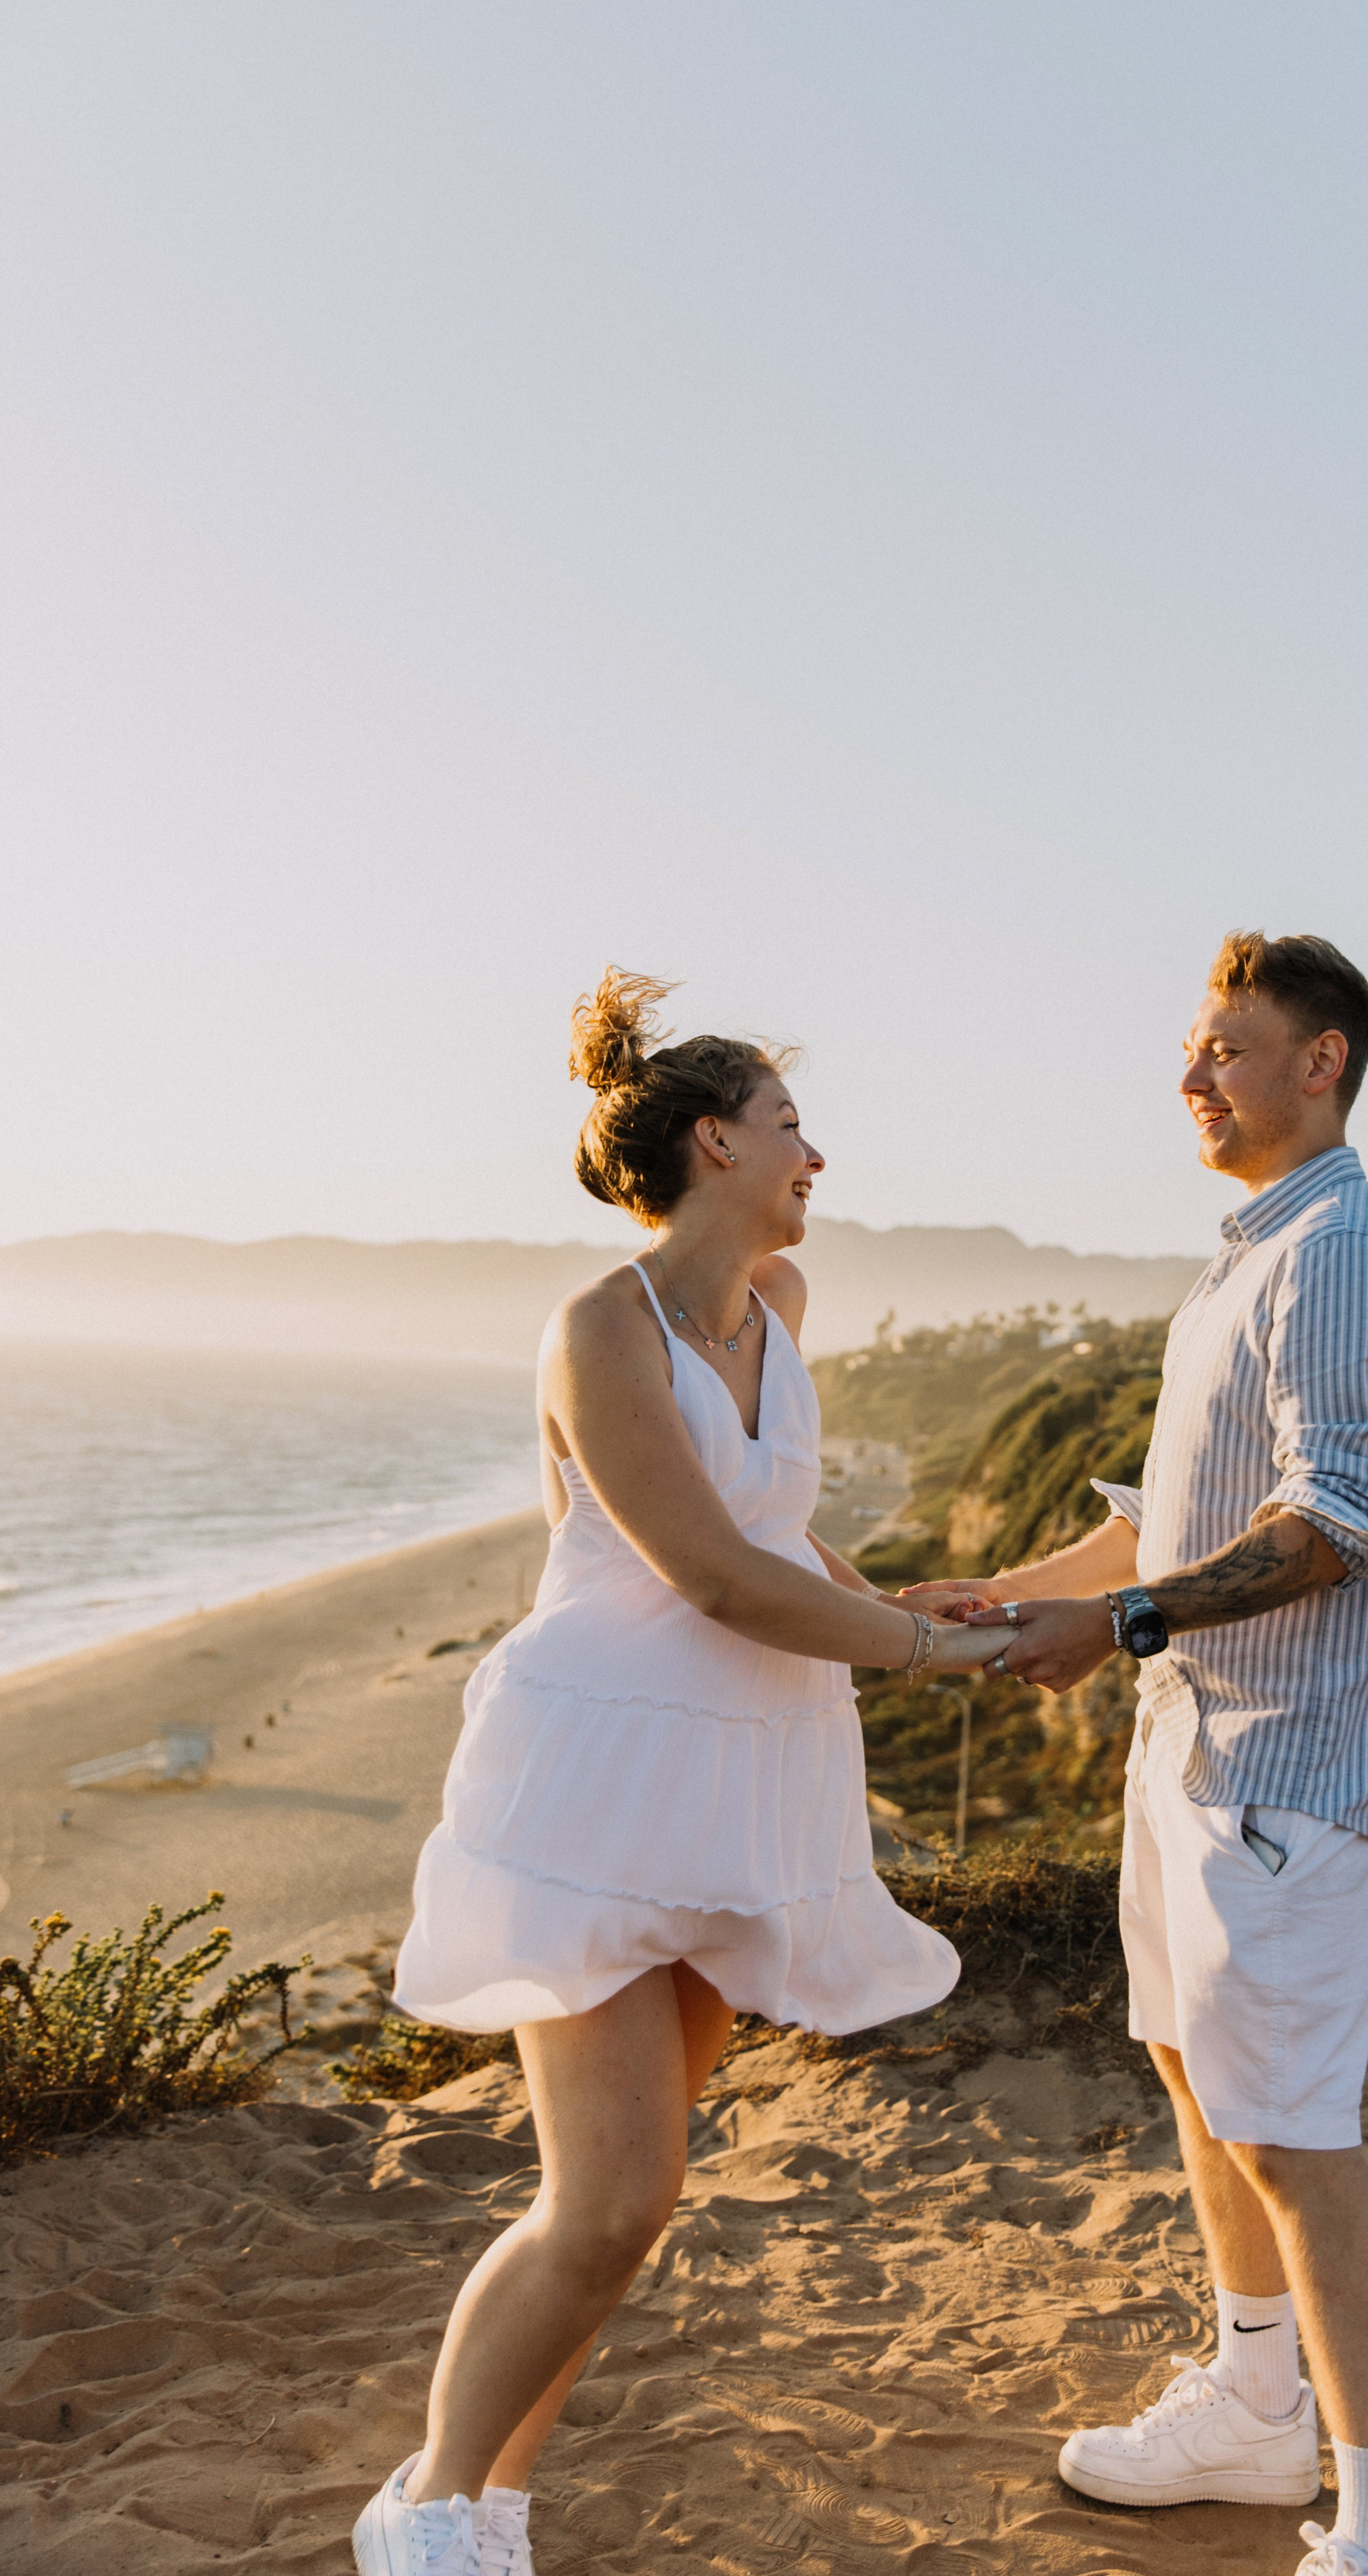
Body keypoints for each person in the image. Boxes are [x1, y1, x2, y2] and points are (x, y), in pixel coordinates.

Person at [354, 970, 1003, 2576]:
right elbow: (706, 1570)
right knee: (610, 2195)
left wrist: (890, 1598)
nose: (816, 1157)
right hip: (596, 1785)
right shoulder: (599, 1326)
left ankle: (481, 2494)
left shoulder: (776, 1310)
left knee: (626, 2203)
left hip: (742, 1779)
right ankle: (432, 2509)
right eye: (791, 1125)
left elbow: (773, 1529)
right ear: (715, 1141)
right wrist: (929, 1658)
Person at [907, 931, 1368, 2576]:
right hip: (1195, 1753)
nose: (1189, 1074)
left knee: (1291, 2134)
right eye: (1189, 1046)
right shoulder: (1249, 1253)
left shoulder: (1343, 1249)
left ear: (1322, 1062)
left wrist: (1122, 1622)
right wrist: (1011, 1593)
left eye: (1225, 1046)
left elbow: (1331, 1528)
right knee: (1201, 2085)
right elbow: (1180, 1520)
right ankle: (1247, 2402)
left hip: (1288, 1759)